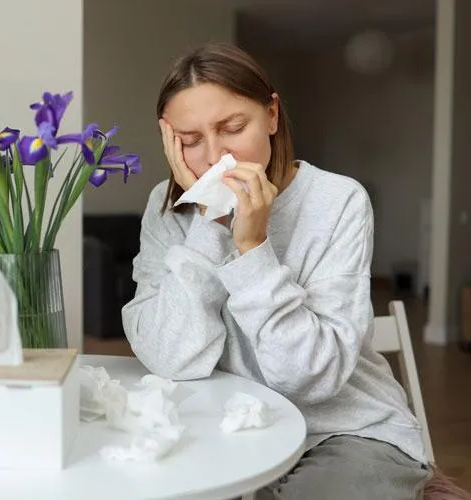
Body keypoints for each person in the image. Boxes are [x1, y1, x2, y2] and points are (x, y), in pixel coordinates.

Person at [121, 41, 432, 499]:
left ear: (271, 115)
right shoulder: (167, 209)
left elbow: (311, 378)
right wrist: (211, 224)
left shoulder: (338, 201)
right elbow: (172, 359)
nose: (214, 158)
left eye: (233, 127)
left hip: (345, 431)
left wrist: (252, 247)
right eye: (190, 141)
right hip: (224, 426)